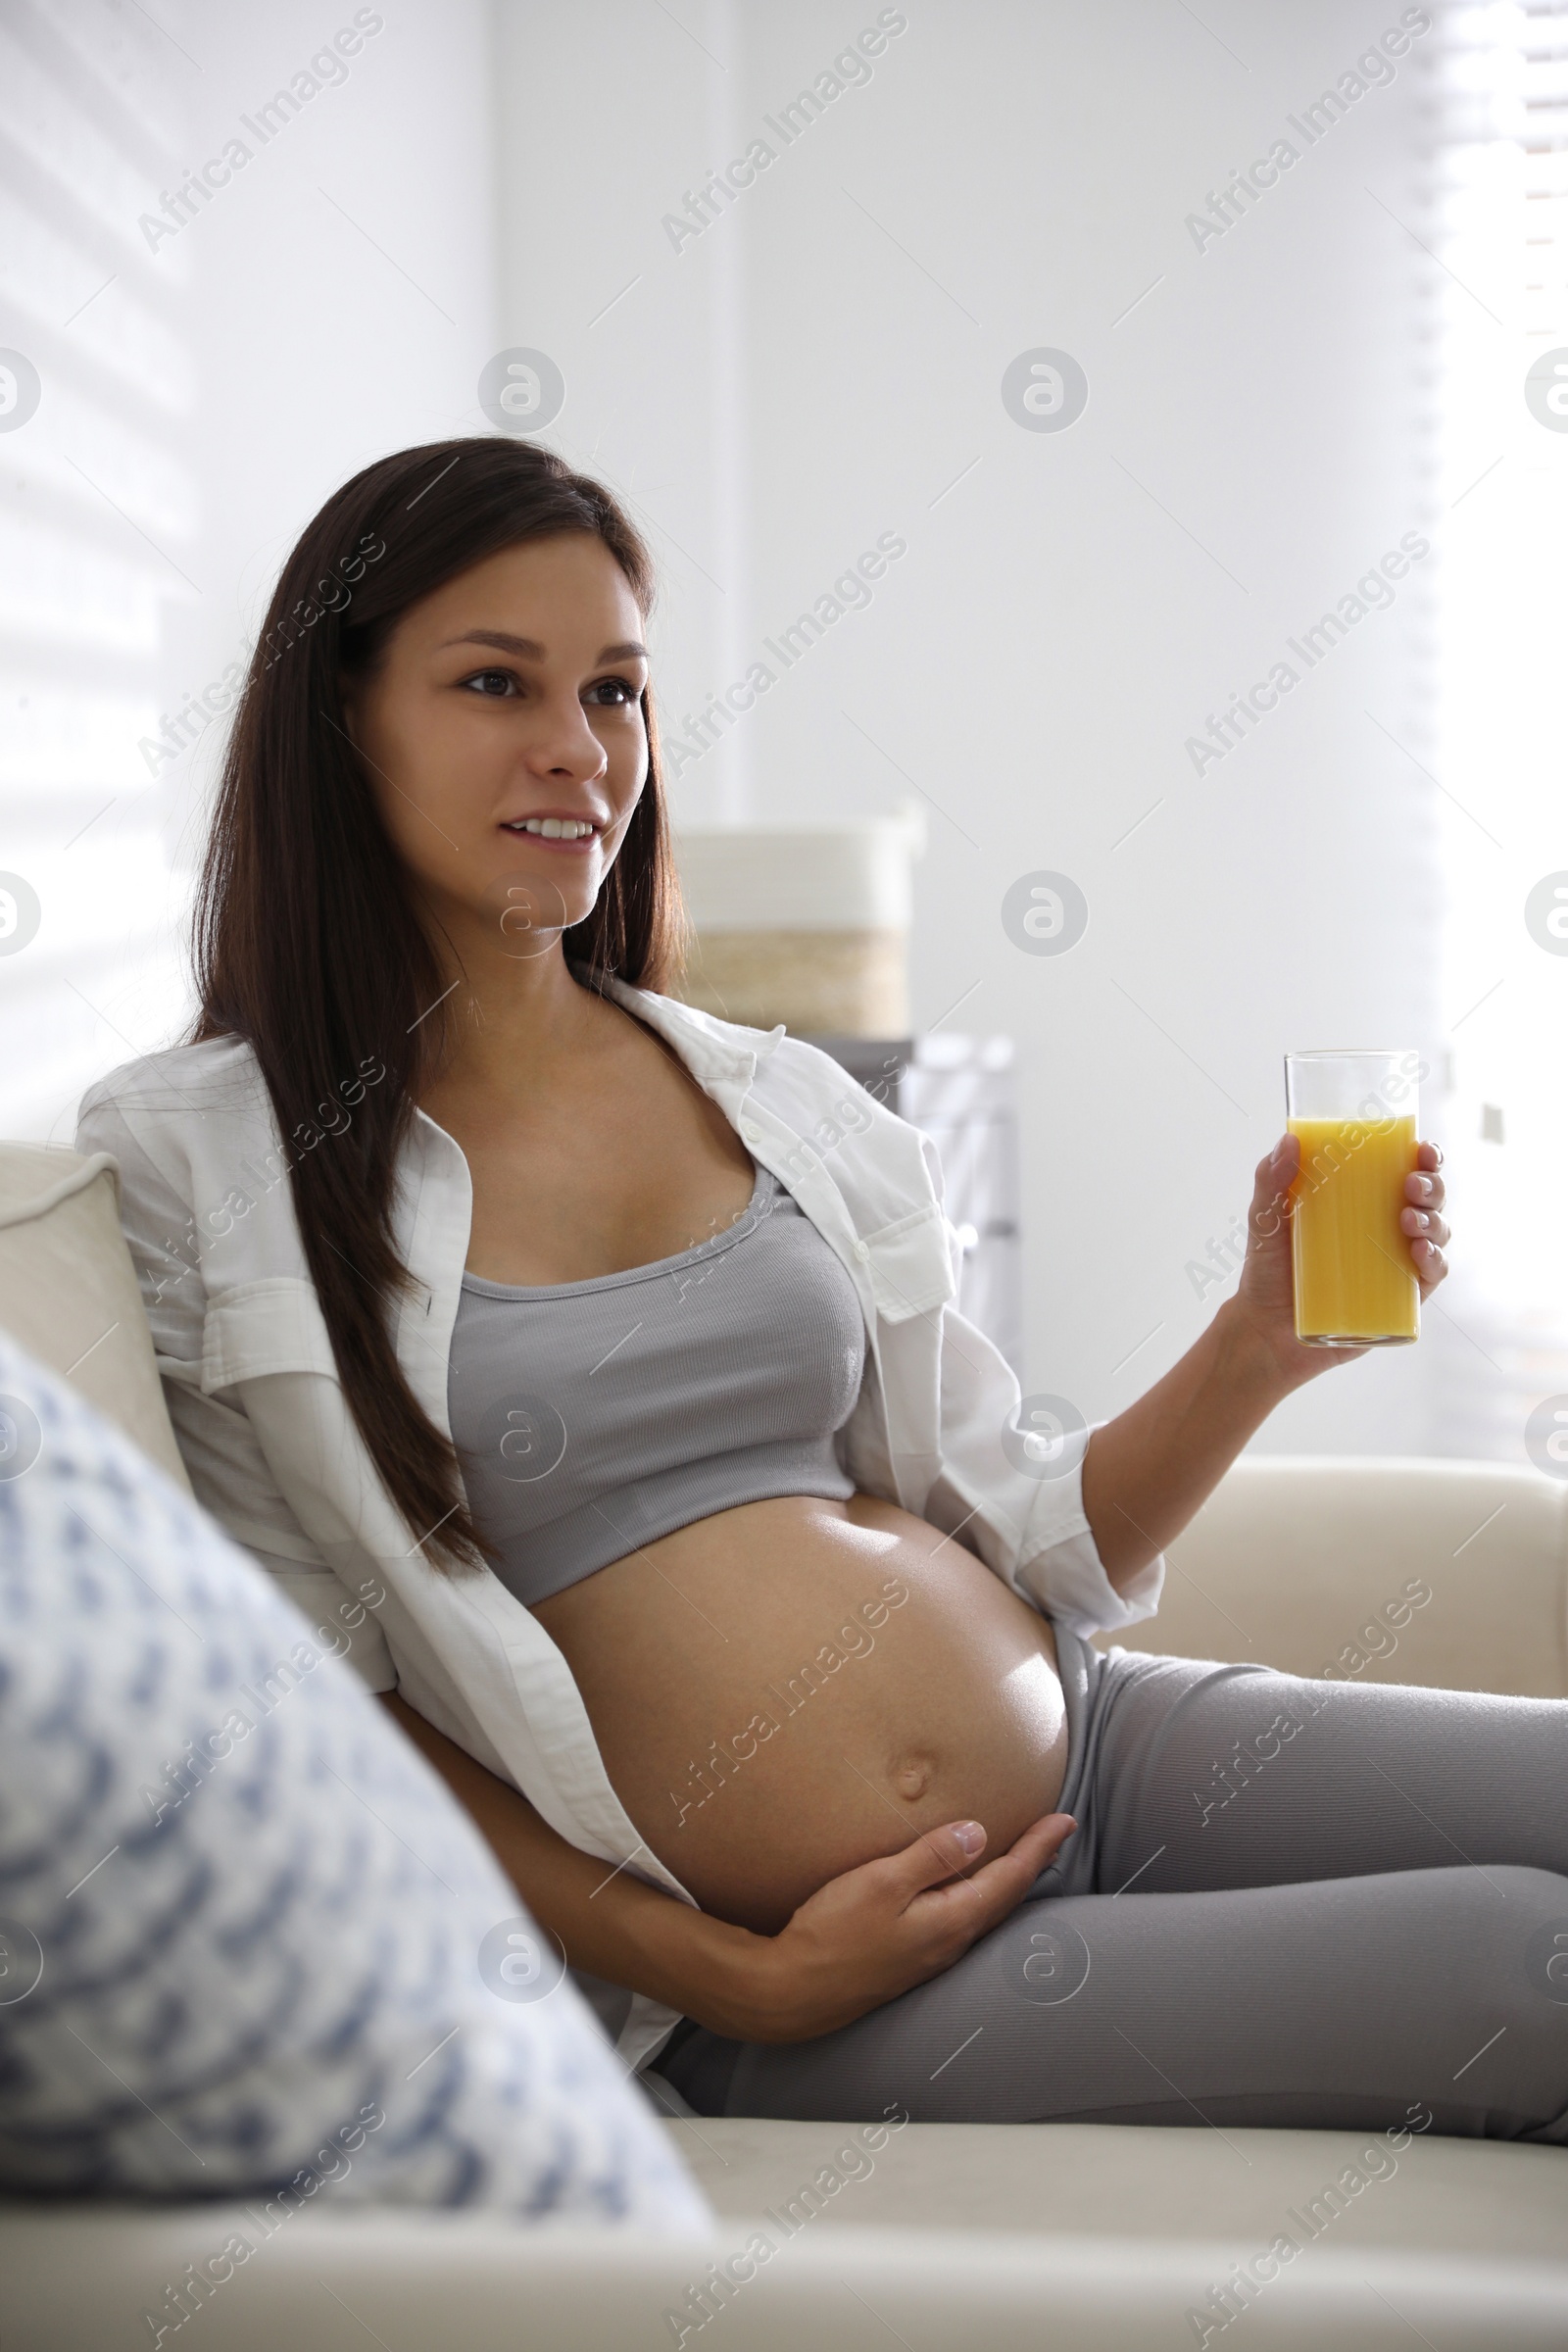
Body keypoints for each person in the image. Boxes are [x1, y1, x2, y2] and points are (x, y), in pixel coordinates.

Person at [78, 439, 1568, 2139]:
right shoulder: (207, 1160)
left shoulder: (771, 1092)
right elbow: (304, 1703)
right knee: (1524, 1969)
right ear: (338, 718)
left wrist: (1257, 1341)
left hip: (1099, 1745)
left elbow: (1026, 1532)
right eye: (498, 683)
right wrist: (726, 1977)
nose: (581, 751)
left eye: (619, 692)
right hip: (798, 1968)